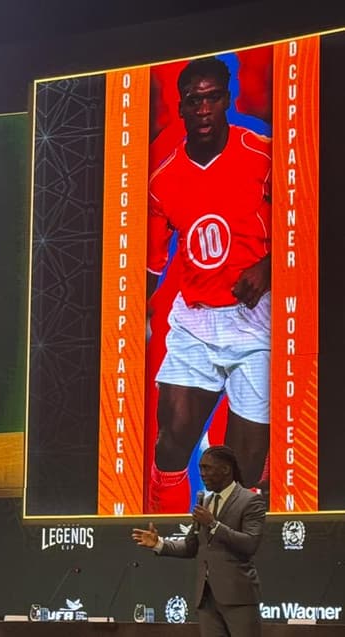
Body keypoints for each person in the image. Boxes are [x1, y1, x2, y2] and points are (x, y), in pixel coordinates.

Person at [146, 56, 272, 513]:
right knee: (170, 445)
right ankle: (162, 535)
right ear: (181, 107)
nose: (203, 108)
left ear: (227, 100)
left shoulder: (264, 154)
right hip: (196, 321)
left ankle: (240, 543)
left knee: (243, 469)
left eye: (212, 98)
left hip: (257, 322)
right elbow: (150, 266)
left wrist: (269, 267)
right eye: (193, 100)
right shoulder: (163, 182)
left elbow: (308, 228)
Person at [132, 445, 266, 636]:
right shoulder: (205, 501)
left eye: (207, 468)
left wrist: (213, 524)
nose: (202, 473)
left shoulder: (250, 501)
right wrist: (158, 544)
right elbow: (191, 546)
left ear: (226, 469)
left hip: (238, 596)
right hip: (206, 598)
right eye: (201, 468)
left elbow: (250, 543)